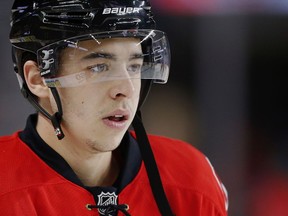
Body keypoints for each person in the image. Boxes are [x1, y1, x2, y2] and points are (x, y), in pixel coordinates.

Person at [0, 0, 228, 215]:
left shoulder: (190, 178)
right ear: (38, 79)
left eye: (134, 66)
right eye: (99, 67)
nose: (126, 89)